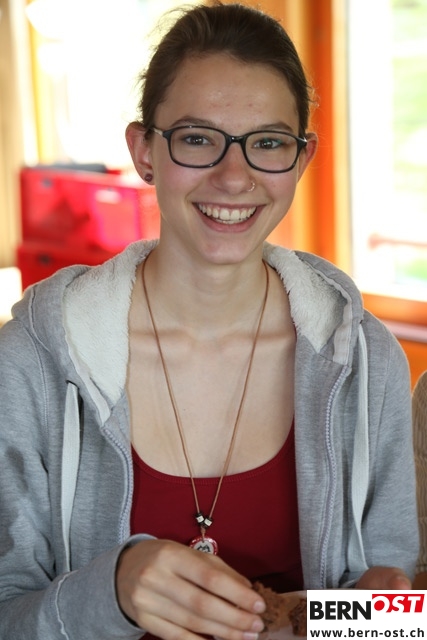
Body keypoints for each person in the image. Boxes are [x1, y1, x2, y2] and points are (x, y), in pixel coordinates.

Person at [0, 2, 419, 639]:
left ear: (301, 158)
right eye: (197, 139)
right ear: (144, 151)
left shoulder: (364, 357)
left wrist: (332, 618)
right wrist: (112, 592)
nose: (234, 177)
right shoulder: (31, 361)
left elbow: (394, 616)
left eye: (268, 143)